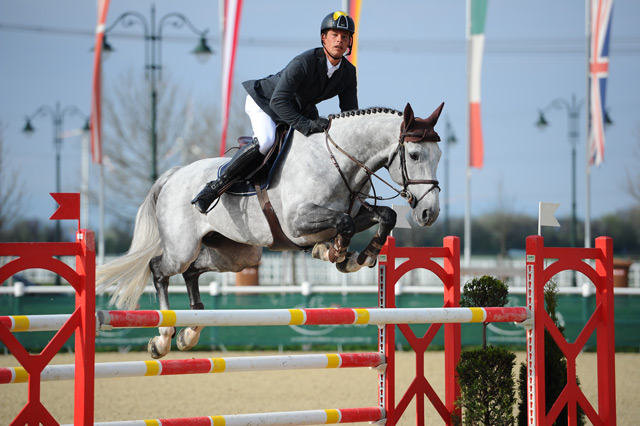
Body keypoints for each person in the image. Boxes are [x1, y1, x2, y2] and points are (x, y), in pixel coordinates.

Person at [192, 10, 358, 214]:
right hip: (265, 102)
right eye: (334, 35)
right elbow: (279, 101)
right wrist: (307, 125)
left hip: (298, 107)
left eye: (344, 36)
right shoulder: (304, 62)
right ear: (324, 37)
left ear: (350, 41)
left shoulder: (348, 73)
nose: (339, 40)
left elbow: (350, 114)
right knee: (267, 140)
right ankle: (214, 188)